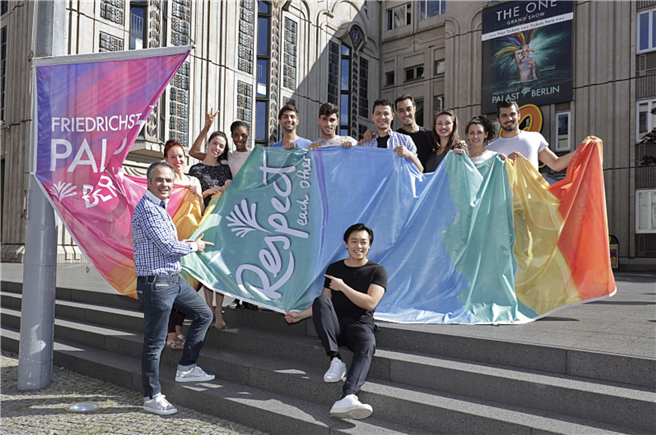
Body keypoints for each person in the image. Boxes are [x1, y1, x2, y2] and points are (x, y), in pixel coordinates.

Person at [132, 161, 215, 416]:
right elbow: (168, 248)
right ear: (149, 182)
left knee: (204, 314)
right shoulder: (147, 209)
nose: (165, 184)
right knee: (155, 343)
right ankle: (151, 396)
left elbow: (166, 243)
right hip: (156, 284)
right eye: (159, 180)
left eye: (168, 180)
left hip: (173, 279)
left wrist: (187, 242)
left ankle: (187, 367)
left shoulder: (159, 206)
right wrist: (194, 247)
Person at [285, 223, 387, 420]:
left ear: (369, 245)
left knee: (368, 343)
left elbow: (370, 303)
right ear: (346, 244)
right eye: (354, 241)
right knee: (320, 300)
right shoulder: (335, 268)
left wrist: (343, 287)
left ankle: (349, 396)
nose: (359, 246)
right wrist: (299, 315)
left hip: (360, 326)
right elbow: (324, 302)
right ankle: (335, 359)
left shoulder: (377, 271)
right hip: (335, 327)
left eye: (363, 242)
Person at [162, 140, 205, 350]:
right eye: (173, 156)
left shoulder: (194, 180)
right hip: (175, 244)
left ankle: (178, 330)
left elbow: (201, 209)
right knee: (173, 289)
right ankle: (170, 333)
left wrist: (198, 194)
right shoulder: (165, 183)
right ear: (166, 159)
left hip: (193, 244)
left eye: (180, 156)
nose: (178, 160)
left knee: (187, 289)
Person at [188, 131, 233, 329]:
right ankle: (208, 310)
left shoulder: (226, 170)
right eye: (215, 143)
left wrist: (227, 189)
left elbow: (232, 194)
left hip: (219, 223)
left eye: (221, 146)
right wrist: (208, 192)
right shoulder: (195, 169)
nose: (217, 148)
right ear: (208, 143)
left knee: (218, 266)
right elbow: (190, 198)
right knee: (206, 266)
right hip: (201, 221)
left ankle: (218, 310)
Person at [487, 100, 576, 171]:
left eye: (512, 114)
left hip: (532, 194)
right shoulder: (490, 149)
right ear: (498, 120)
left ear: (519, 116)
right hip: (506, 194)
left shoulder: (534, 137)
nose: (509, 119)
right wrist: (503, 165)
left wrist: (582, 149)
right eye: (504, 115)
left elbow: (556, 164)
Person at [359, 95, 431, 171]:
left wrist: (409, 155)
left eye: (386, 113)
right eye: (378, 113)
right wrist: (346, 147)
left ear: (392, 116)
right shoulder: (365, 144)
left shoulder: (405, 140)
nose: (382, 117)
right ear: (372, 116)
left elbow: (420, 170)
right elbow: (355, 169)